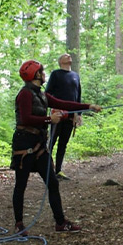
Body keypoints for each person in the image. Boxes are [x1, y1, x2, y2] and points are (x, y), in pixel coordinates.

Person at [12, 60, 101, 235]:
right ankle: (19, 224)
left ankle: (60, 222)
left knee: (52, 183)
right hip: (24, 145)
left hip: (39, 146)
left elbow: (64, 104)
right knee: (21, 185)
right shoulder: (24, 94)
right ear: (35, 75)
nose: (44, 74)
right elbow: (26, 118)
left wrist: (88, 107)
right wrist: (48, 120)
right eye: (41, 71)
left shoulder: (42, 95)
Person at [45, 53, 81, 181]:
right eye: (65, 56)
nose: (69, 56)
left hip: (70, 116)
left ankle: (58, 170)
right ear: (60, 61)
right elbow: (47, 93)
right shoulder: (56, 74)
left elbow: (78, 97)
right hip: (57, 114)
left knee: (63, 144)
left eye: (69, 55)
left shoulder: (76, 76)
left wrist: (78, 114)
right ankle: (48, 170)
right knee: (51, 143)